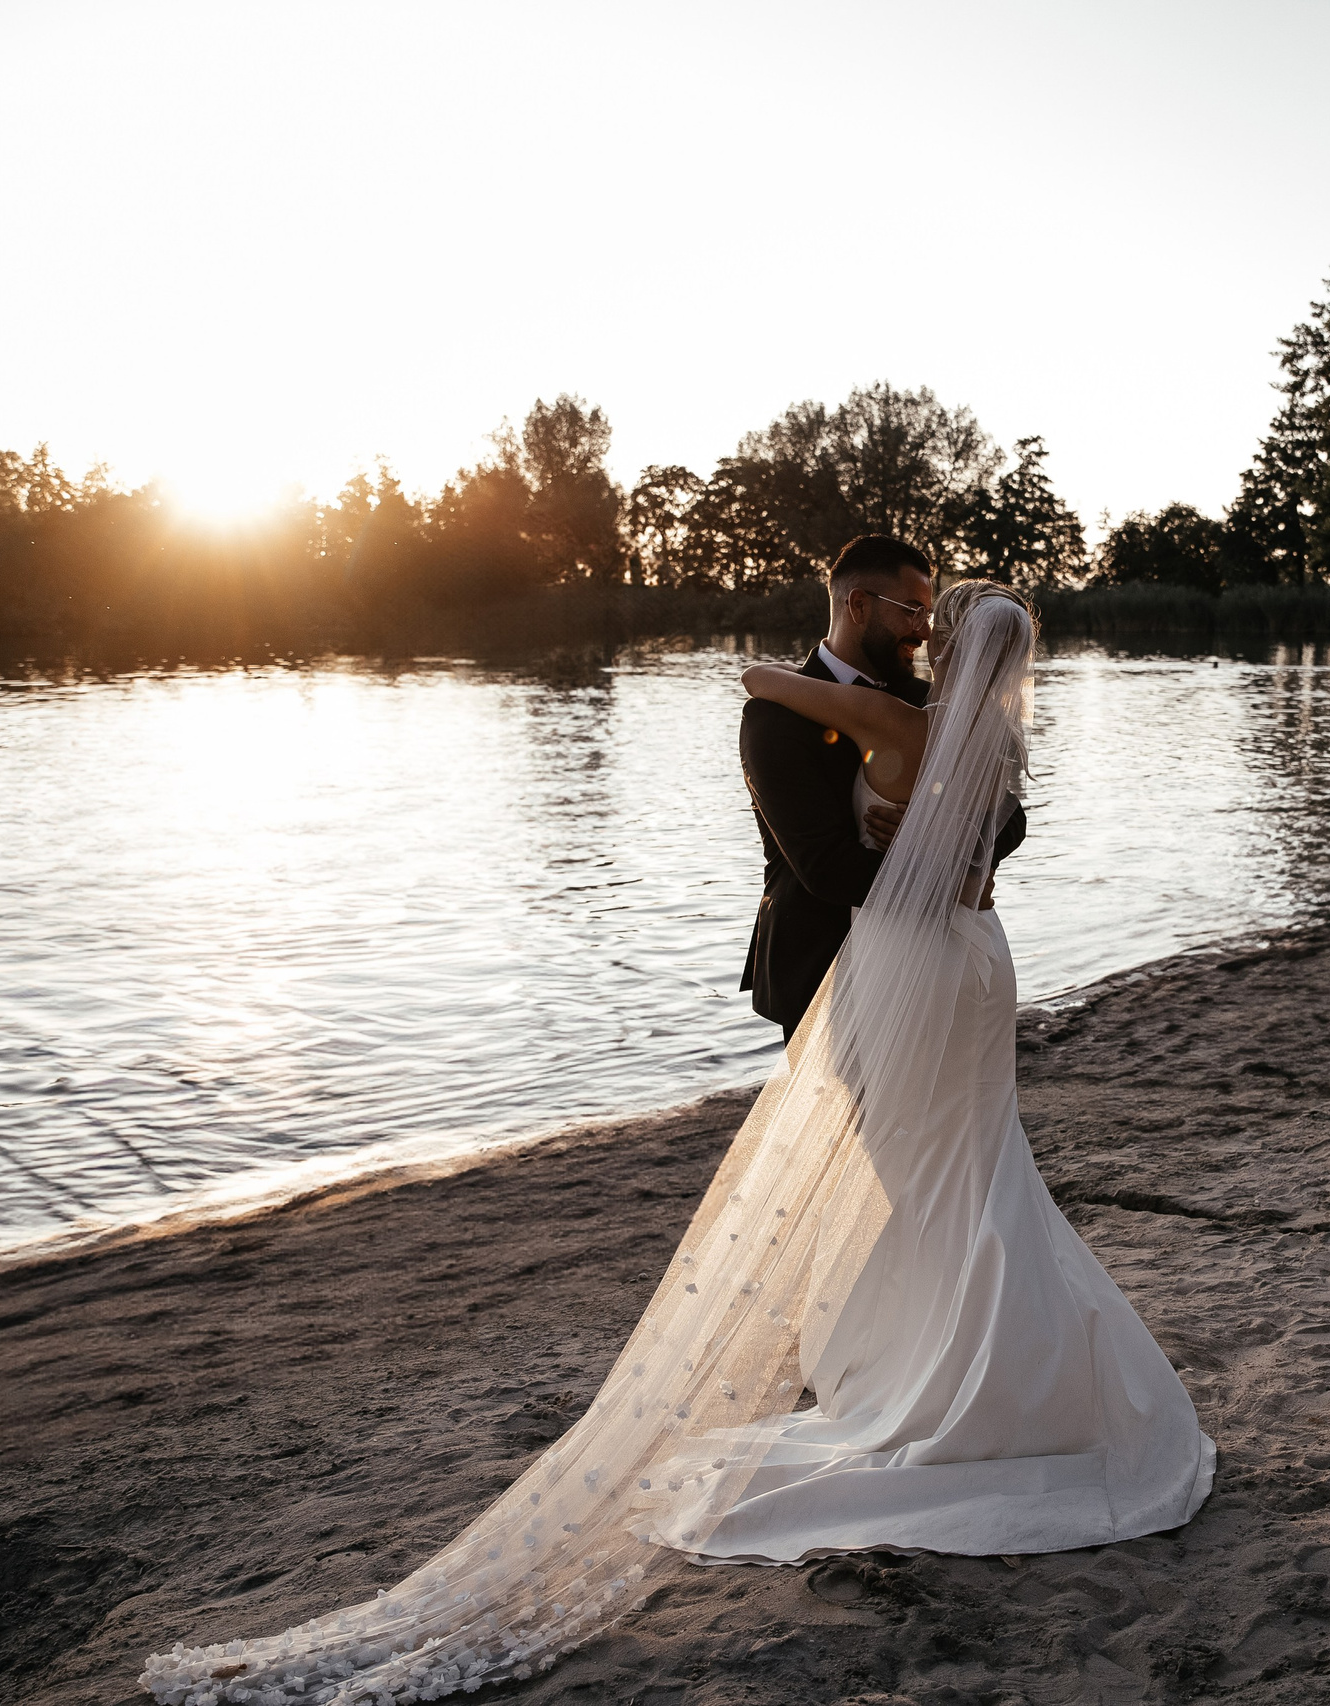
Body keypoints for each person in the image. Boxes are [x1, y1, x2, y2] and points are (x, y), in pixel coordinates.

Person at [141, 556, 1215, 1706]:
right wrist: (944, 847)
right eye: (902, 604)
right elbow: (831, 858)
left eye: (930, 611)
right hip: (920, 961)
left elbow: (990, 832)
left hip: (914, 963)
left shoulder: (888, 709)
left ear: (943, 635)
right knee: (950, 1175)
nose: (916, 621)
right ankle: (956, 1369)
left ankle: (963, 1387)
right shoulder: (886, 719)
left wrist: (937, 843)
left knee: (938, 1178)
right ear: (856, 602)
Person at [738, 535, 1027, 1037]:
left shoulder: (932, 703)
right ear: (858, 605)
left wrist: (954, 844)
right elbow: (823, 866)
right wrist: (952, 883)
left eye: (930, 613)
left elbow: (1010, 816)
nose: (924, 630)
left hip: (928, 955)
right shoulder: (773, 718)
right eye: (912, 610)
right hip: (819, 962)